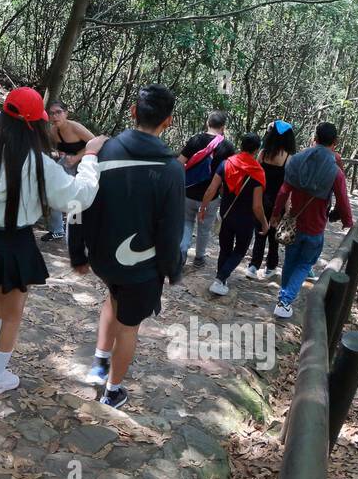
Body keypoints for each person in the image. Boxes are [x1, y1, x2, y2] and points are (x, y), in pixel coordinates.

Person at [0, 87, 106, 396]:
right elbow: (77, 197)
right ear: (34, 124)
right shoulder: (39, 163)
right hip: (15, 243)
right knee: (13, 309)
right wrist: (90, 159)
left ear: (4, 115)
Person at [69, 84, 185, 408]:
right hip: (141, 265)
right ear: (169, 122)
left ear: (133, 112)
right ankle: (112, 390)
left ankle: (99, 363)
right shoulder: (172, 169)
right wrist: (171, 268)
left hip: (104, 258)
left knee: (113, 297)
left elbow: (80, 202)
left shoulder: (103, 152)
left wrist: (77, 251)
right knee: (130, 324)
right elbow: (171, 229)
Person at [268, 121, 354, 319]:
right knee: (305, 264)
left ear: (314, 138)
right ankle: (285, 300)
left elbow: (282, 192)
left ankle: (283, 298)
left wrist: (275, 214)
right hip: (315, 227)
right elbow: (343, 200)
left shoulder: (296, 160)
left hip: (294, 222)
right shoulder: (335, 171)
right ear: (335, 142)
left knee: (290, 260)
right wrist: (348, 223)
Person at [198, 132, 269, 296]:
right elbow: (257, 206)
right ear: (257, 150)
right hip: (246, 220)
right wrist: (264, 223)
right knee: (240, 250)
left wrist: (203, 208)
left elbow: (211, 189)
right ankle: (220, 278)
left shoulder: (226, 164)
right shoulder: (258, 172)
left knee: (225, 248)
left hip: (226, 216)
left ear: (241, 145)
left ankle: (221, 280)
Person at [177, 111, 236, 269]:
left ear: (207, 123)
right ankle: (199, 259)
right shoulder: (228, 146)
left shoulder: (195, 140)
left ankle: (182, 251)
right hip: (211, 196)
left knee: (186, 222)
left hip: (188, 192)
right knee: (204, 228)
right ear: (223, 127)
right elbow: (230, 173)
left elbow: (179, 162)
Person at [248, 120, 296, 281]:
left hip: (261, 198)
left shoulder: (263, 154)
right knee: (275, 234)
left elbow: (255, 176)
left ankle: (253, 265)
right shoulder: (289, 158)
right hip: (279, 202)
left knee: (260, 231)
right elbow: (289, 186)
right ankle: (271, 267)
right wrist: (288, 207)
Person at [44, 101, 96, 241]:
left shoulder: (76, 127)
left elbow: (96, 143)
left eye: (59, 112)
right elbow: (59, 146)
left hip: (85, 162)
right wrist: (62, 154)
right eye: (52, 113)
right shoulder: (53, 130)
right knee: (53, 190)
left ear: (66, 113)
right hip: (67, 162)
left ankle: (76, 232)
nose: (55, 116)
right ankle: (57, 229)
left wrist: (77, 157)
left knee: (76, 198)